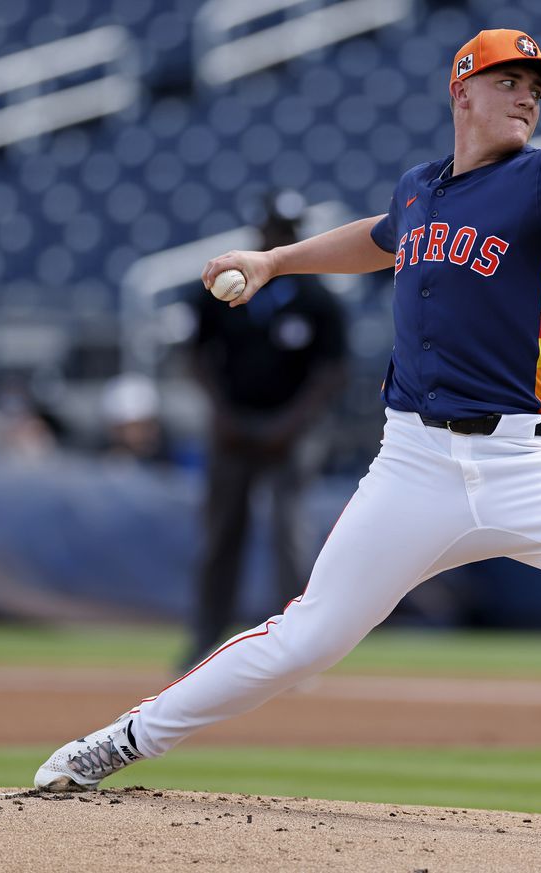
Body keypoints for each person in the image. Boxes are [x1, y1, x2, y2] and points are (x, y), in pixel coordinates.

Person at [34, 29, 541, 852]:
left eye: (537, 85)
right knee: (307, 636)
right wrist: (277, 260)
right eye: (511, 80)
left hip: (533, 462)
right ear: (461, 91)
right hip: (415, 465)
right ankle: (122, 739)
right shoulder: (421, 190)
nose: (529, 96)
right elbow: (384, 234)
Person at [183, 189, 350, 670]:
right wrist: (223, 415)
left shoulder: (317, 297)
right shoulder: (219, 292)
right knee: (220, 535)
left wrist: (289, 425)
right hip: (232, 426)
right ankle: (205, 638)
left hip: (291, 431)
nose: (280, 237)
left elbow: (331, 373)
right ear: (259, 233)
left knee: (289, 535)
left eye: (288, 232)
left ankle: (296, 651)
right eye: (274, 230)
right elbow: (196, 357)